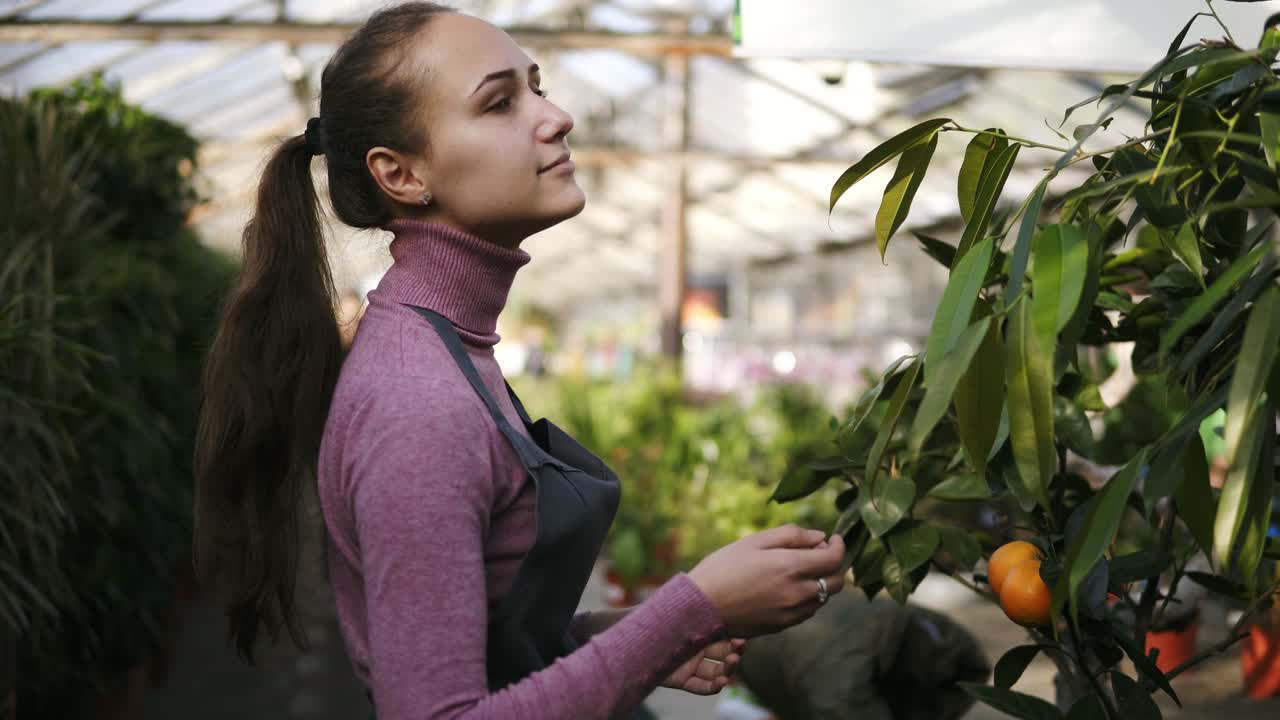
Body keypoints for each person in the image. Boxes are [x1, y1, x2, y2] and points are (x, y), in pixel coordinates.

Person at [190, 4, 846, 719]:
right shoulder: (418, 402)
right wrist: (691, 608)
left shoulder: (450, 345)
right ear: (402, 174)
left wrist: (644, 634)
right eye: (500, 102)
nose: (556, 115)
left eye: (537, 86)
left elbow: (487, 634)